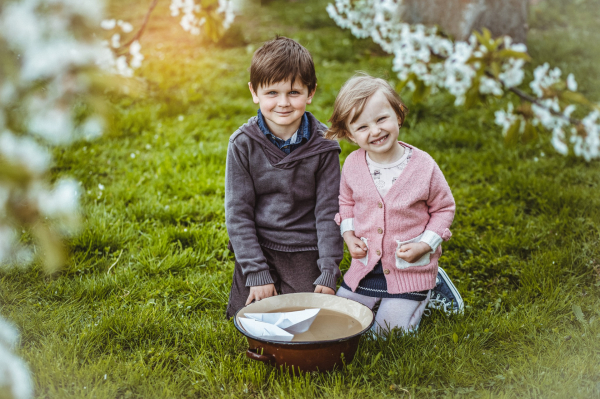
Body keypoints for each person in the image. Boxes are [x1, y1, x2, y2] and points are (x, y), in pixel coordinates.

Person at [326, 73, 462, 334]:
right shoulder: (354, 165)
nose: (375, 131)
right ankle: (379, 299)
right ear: (351, 135)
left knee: (387, 333)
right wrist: (349, 235)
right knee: (340, 321)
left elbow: (444, 209)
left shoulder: (423, 166)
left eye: (381, 119)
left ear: (398, 115)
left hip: (409, 267)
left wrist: (424, 245)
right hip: (367, 267)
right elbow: (347, 202)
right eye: (362, 127)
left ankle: (431, 285)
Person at [224, 36, 344, 319]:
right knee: (250, 319)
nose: (283, 103)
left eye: (293, 92)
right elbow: (238, 213)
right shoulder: (242, 143)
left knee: (306, 319)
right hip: (260, 243)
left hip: (304, 246)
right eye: (272, 93)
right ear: (255, 92)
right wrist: (257, 272)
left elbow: (329, 212)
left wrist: (328, 271)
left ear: (310, 92)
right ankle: (255, 274)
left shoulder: (324, 147)